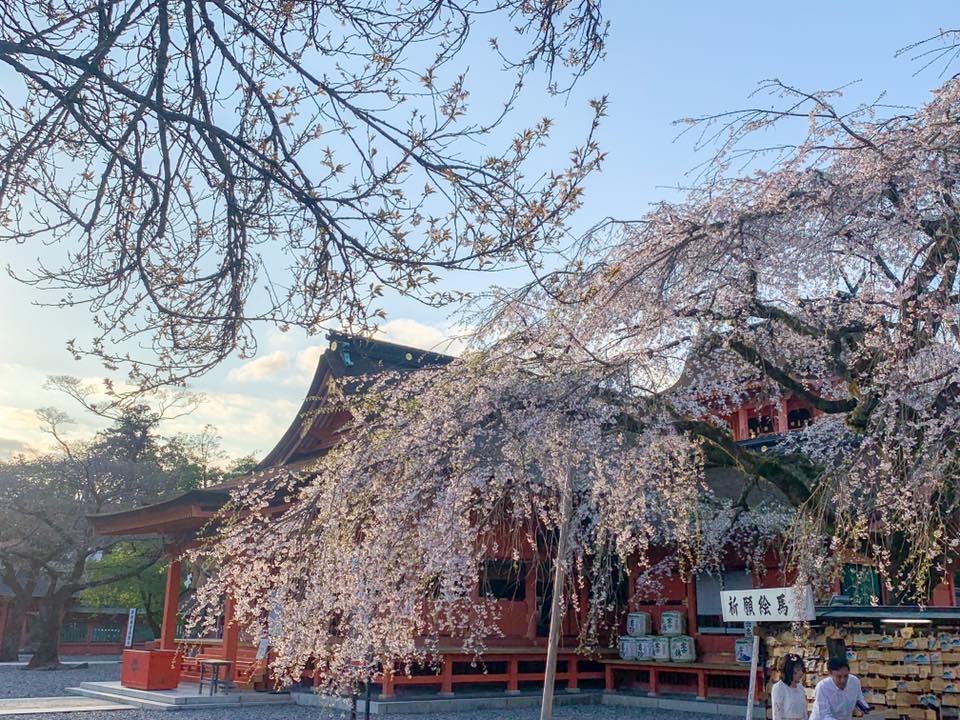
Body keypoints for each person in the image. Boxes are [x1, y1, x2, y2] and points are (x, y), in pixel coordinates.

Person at [771, 653, 807, 720]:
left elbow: (804, 712)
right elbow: (777, 714)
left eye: (801, 669)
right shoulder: (779, 688)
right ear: (789, 670)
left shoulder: (800, 688)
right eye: (798, 670)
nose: (801, 673)